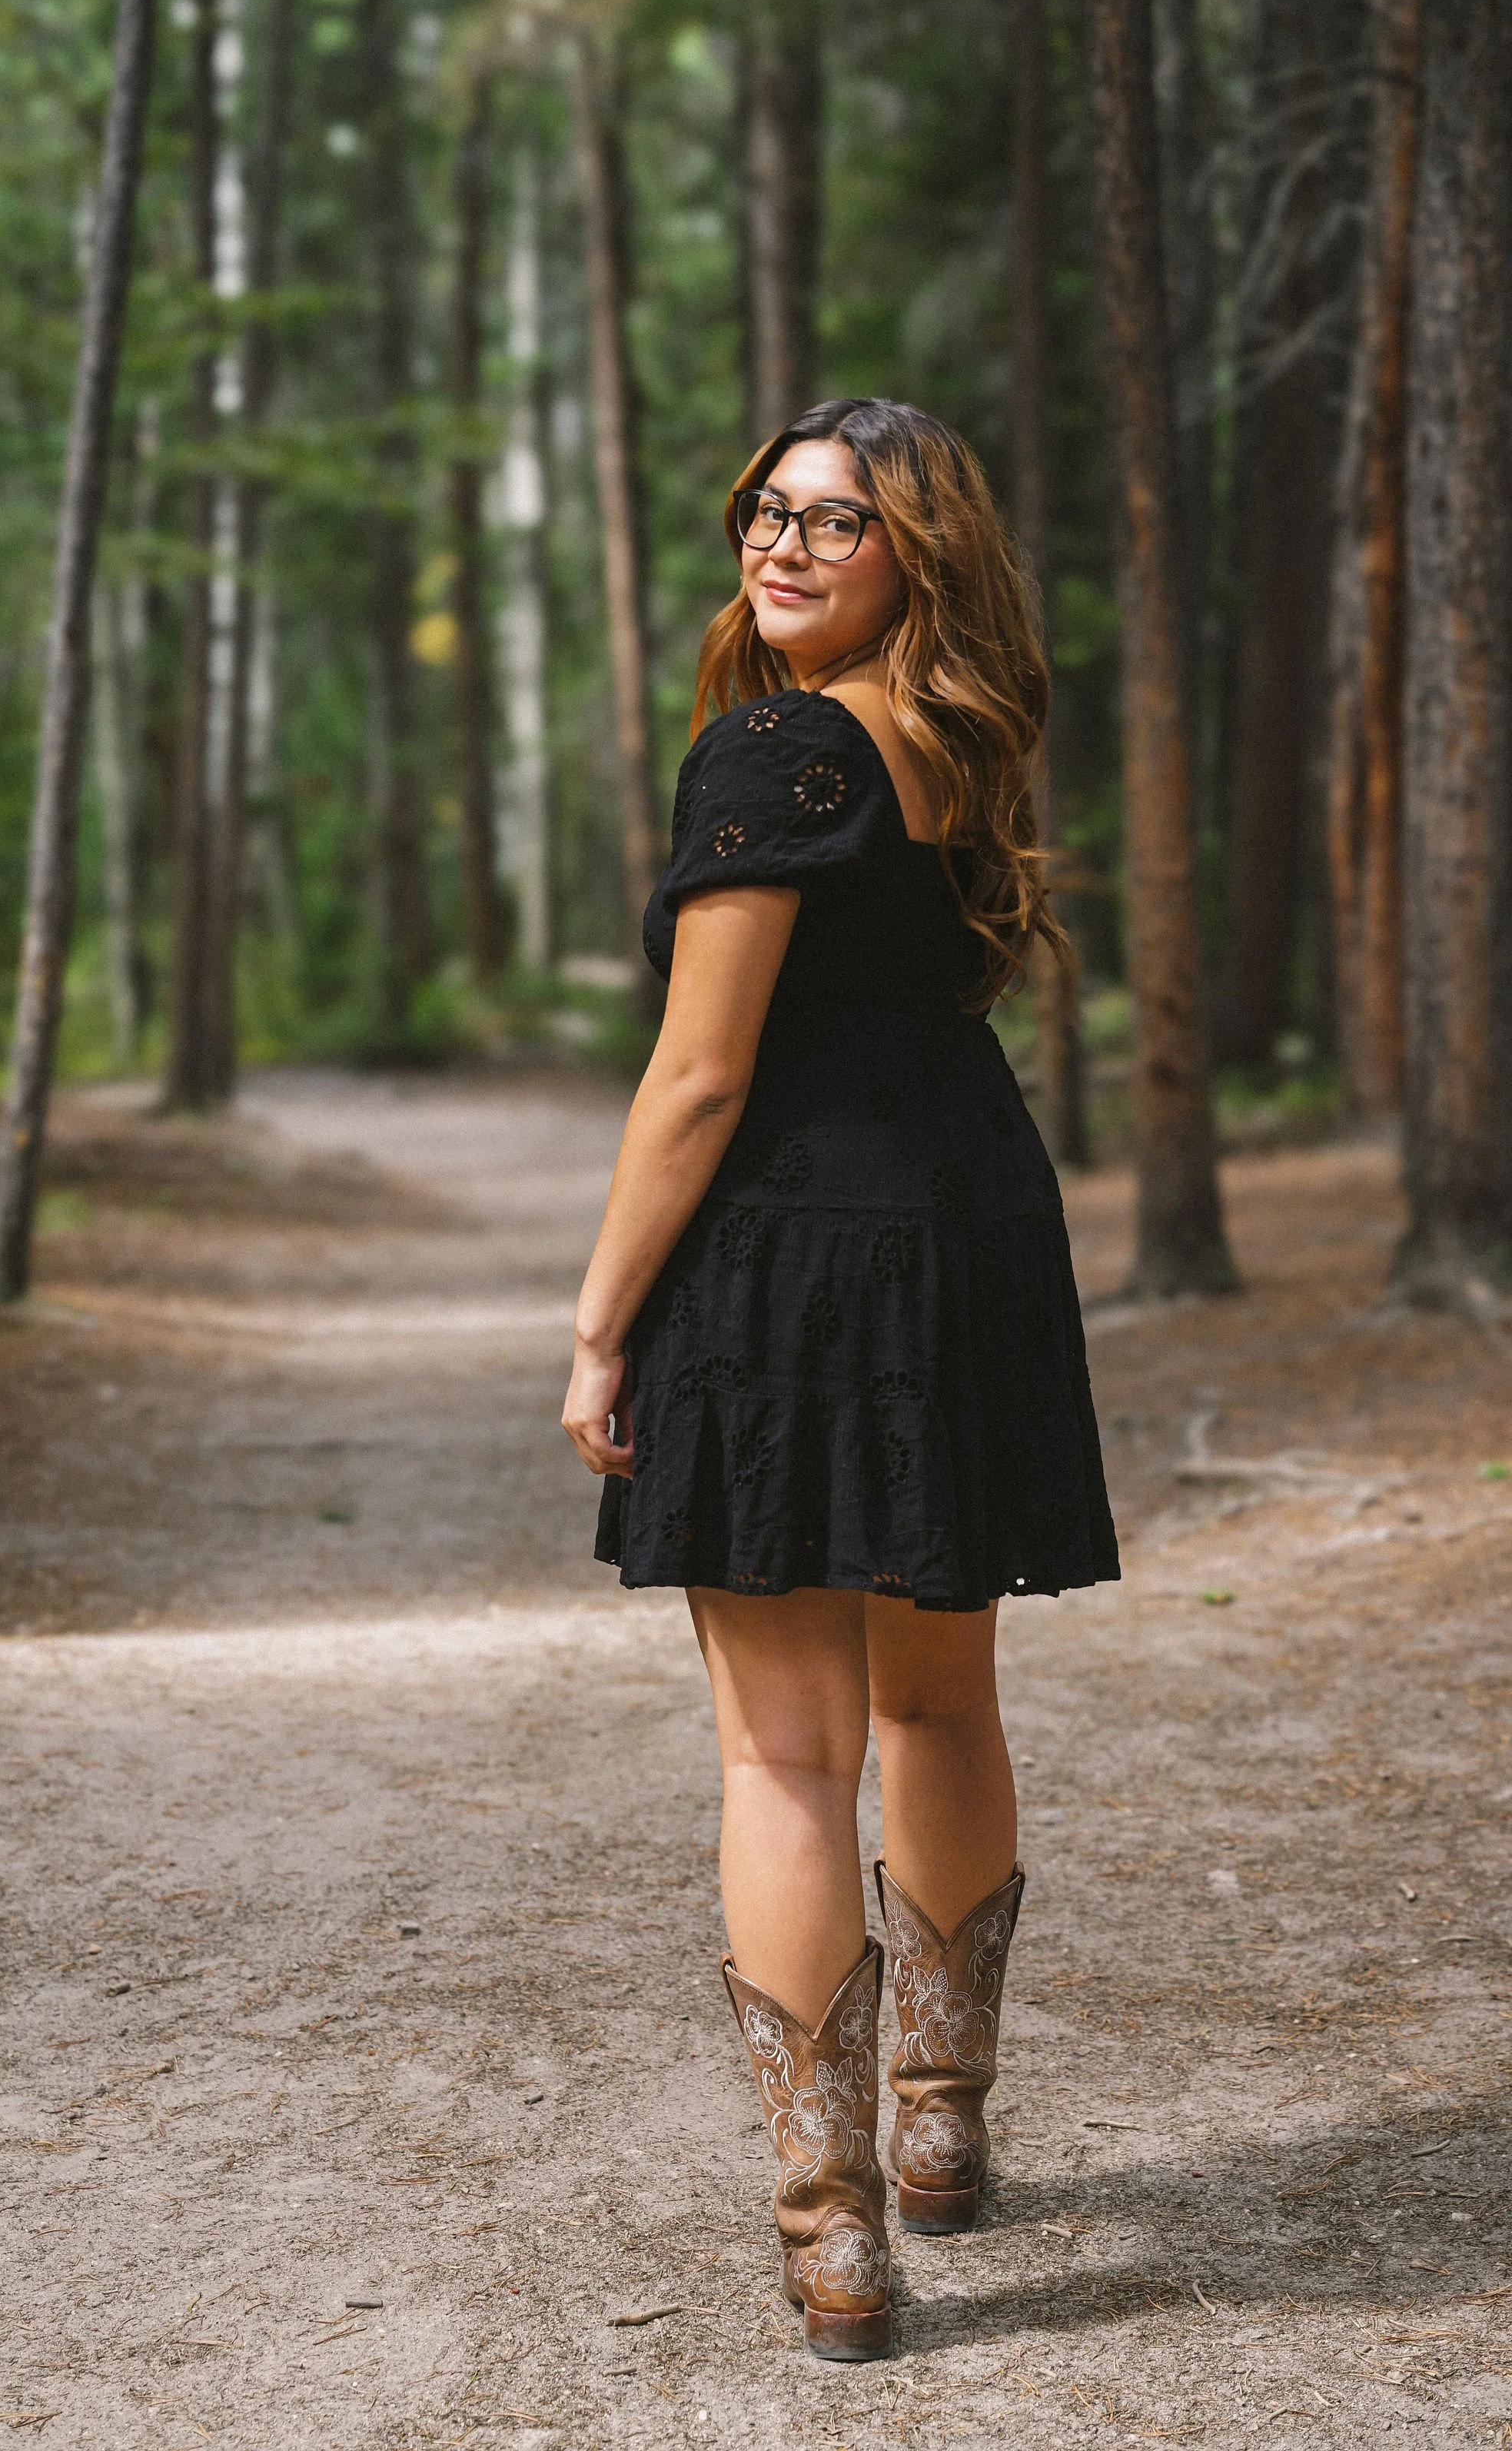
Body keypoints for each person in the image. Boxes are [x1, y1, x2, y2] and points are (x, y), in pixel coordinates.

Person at [563, 397, 1117, 2365]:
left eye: (838, 524)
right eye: (766, 511)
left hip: (799, 1258)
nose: (784, 548)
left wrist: (605, 1315)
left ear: (917, 558)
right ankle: (942, 2129)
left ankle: (837, 2229)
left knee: (787, 1752)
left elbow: (701, 1075)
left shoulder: (778, 748)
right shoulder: (955, 742)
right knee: (943, 1700)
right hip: (970, 1231)